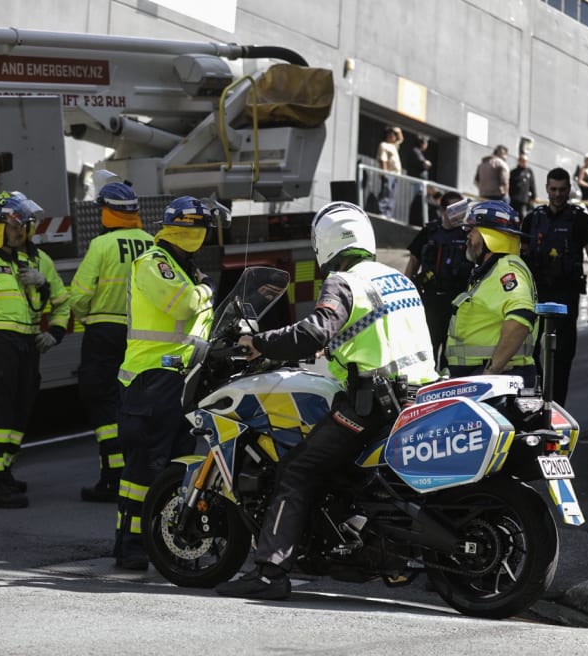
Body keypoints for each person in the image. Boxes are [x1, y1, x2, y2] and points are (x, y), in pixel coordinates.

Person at [215, 201, 437, 600]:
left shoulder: (344, 280)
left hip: (372, 404)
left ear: (324, 242)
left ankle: (270, 573)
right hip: (417, 396)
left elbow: (315, 330)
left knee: (297, 470)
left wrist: (258, 342)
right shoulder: (397, 279)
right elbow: (363, 333)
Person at [113, 196, 218, 570]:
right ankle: (130, 543)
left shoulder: (181, 264)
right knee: (144, 469)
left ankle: (163, 542)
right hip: (151, 379)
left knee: (174, 467)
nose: (204, 235)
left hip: (179, 378)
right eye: (200, 228)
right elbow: (185, 305)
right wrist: (207, 290)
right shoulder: (153, 263)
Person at [0, 191, 71, 508]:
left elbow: (62, 304)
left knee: (19, 415)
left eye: (24, 225)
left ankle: (3, 473)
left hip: (27, 347)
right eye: (15, 225)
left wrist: (54, 331)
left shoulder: (39, 261)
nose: (21, 231)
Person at [69, 176, 154, 503]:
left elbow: (80, 294)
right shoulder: (150, 242)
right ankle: (137, 473)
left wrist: (86, 313)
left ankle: (112, 476)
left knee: (102, 402)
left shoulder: (102, 245)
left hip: (104, 333)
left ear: (108, 212)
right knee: (132, 403)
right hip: (141, 335)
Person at [521, 168, 588, 405]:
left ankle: (556, 409)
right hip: (537, 294)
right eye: (553, 189)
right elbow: (520, 259)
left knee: (563, 356)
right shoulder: (533, 219)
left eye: (562, 190)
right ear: (546, 189)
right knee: (530, 353)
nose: (557, 194)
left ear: (569, 190)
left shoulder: (579, 219)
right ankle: (534, 406)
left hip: (566, 296)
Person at [444, 200, 538, 385]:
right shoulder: (491, 270)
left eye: (472, 230)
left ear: (489, 236)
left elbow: (521, 317)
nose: (468, 236)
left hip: (495, 382)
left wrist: (491, 371)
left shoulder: (506, 270)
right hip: (481, 379)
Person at [403, 190, 473, 368]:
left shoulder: (468, 234)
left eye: (461, 209)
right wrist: (405, 292)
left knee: (451, 352)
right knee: (427, 347)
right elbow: (413, 262)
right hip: (430, 299)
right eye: (454, 209)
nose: (458, 215)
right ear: (443, 210)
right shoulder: (430, 231)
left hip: (456, 301)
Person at [376, 126, 403, 217]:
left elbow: (400, 138)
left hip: (395, 175)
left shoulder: (394, 145)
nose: (394, 136)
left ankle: (388, 215)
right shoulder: (384, 145)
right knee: (386, 194)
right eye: (391, 134)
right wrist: (385, 173)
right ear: (387, 135)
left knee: (392, 196)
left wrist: (397, 130)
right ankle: (382, 212)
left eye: (394, 135)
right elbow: (383, 159)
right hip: (388, 174)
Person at [509, 153, 537, 220]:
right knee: (512, 218)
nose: (524, 162)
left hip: (524, 201)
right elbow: (510, 185)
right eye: (522, 160)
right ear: (519, 161)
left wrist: (534, 196)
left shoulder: (529, 171)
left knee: (522, 217)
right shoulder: (513, 172)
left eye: (525, 161)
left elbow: (532, 184)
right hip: (514, 200)